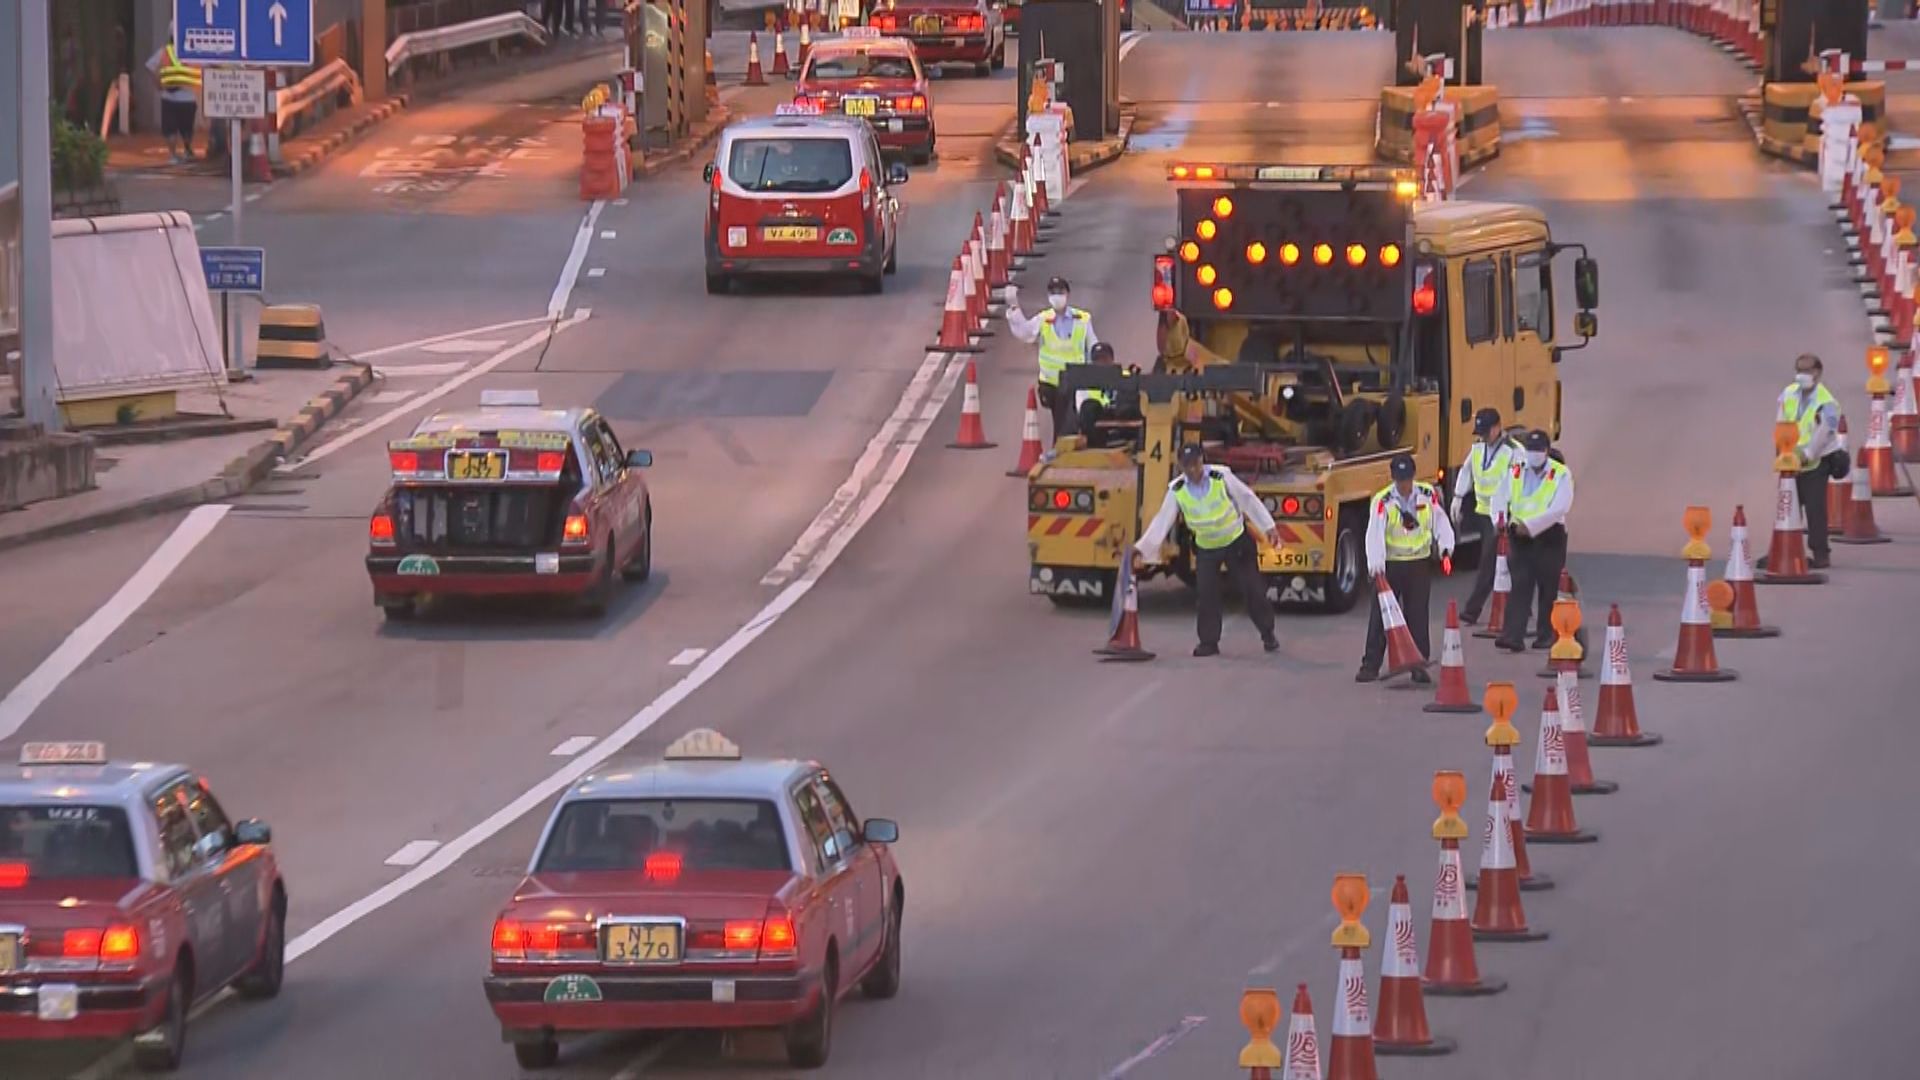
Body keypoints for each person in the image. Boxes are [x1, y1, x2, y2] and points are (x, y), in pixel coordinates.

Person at [1133, 444, 1281, 657]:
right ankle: (1209, 642)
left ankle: (1268, 634)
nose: (1192, 470)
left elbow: (1247, 498)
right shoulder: (1177, 490)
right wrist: (1142, 549)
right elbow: (1162, 521)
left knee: (1253, 590)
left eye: (1195, 464)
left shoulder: (1221, 476)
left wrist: (1268, 526)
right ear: (1180, 467)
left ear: (1202, 460)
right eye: (1187, 466)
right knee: (1207, 596)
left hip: (1236, 543)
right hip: (1207, 548)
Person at [1359, 453, 1455, 683]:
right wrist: (1376, 566)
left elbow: (1440, 521)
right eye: (1400, 480)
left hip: (1419, 563)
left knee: (1418, 615)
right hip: (1392, 565)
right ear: (1394, 478)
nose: (1404, 485)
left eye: (1408, 479)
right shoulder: (1383, 501)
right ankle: (1370, 665)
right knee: (1381, 616)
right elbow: (1374, 534)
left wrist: (1445, 548)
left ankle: (1419, 664)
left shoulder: (1427, 494)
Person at [1491, 430, 1574, 653]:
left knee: (1548, 587)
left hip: (1549, 535)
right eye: (1530, 449)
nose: (1533, 454)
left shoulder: (1560, 474)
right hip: (1520, 536)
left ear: (1546, 451)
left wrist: (1531, 526)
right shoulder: (1516, 470)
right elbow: (1499, 496)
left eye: (1538, 450)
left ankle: (1546, 635)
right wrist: (1499, 519)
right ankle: (1513, 636)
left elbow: (1560, 507)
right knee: (1520, 584)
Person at [1004, 276, 1099, 443]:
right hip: (1050, 384)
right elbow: (1025, 333)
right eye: (1053, 292)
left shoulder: (1083, 319)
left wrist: (1095, 372)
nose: (1057, 296)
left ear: (1067, 294)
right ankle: (1060, 448)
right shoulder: (1044, 319)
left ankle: (1061, 448)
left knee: (1069, 422)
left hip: (1074, 382)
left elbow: (1093, 347)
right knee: (1062, 422)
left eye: (1060, 291)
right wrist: (1014, 308)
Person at [1449, 408, 1515, 625]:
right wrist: (1458, 496)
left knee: (1489, 564)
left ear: (1497, 428)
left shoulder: (1512, 452)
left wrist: (1505, 515)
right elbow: (1466, 471)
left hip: (1505, 517)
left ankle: (1472, 611)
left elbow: (1516, 484)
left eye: (1486, 432)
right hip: (1484, 514)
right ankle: (1519, 610)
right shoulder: (1478, 449)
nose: (1483, 436)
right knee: (1503, 564)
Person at [1779, 353, 1842, 569]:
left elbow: (1825, 433)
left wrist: (1807, 455)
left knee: (1815, 509)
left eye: (1807, 370)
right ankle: (1784, 551)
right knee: (1787, 507)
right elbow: (1780, 423)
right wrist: (1781, 455)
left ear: (1818, 372)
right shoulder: (1788, 394)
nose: (1802, 375)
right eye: (1799, 370)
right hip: (1790, 462)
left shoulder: (1827, 402)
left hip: (1816, 462)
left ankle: (1820, 553)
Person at [1074, 342, 1139, 448]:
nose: (1101, 363)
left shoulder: (1124, 375)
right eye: (1097, 360)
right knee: (1088, 407)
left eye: (1104, 359)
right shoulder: (1085, 383)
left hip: (1122, 419)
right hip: (1098, 422)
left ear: (1112, 360)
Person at [150, 37, 201, 162]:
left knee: (170, 129)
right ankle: (187, 150)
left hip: (169, 96)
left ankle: (173, 155)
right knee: (187, 128)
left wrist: (158, 85)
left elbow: (152, 69)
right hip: (189, 98)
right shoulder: (194, 50)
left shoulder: (165, 51)